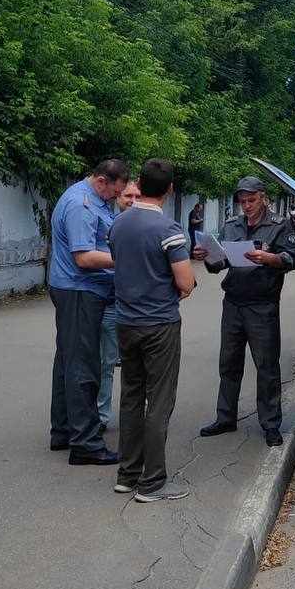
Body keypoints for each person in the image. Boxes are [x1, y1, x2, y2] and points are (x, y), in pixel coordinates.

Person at [107, 158, 195, 502]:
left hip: (125, 322)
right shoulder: (169, 231)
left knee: (131, 396)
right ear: (170, 189)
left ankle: (127, 474)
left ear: (139, 185)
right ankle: (153, 481)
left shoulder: (117, 225)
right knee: (158, 401)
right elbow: (185, 281)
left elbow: (120, 263)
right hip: (159, 324)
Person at [195, 175, 295, 446]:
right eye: (242, 201)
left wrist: (270, 258)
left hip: (262, 305)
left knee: (266, 366)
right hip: (233, 303)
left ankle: (270, 424)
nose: (247, 206)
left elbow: (292, 258)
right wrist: (207, 256)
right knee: (228, 363)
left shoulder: (278, 225)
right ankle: (225, 417)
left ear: (263, 197)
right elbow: (219, 264)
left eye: (251, 200)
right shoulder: (232, 225)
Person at [48, 159, 128, 466]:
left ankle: (64, 431)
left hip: (77, 290)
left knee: (68, 361)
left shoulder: (92, 198)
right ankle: (85, 443)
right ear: (101, 181)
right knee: (84, 366)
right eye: (115, 192)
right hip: (80, 291)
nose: (115, 198)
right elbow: (83, 257)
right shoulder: (81, 205)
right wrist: (124, 258)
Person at [97, 179, 141, 429]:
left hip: (141, 307)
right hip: (112, 303)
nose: (133, 201)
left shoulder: (151, 225)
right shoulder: (108, 225)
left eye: (137, 196)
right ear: (118, 198)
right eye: (128, 197)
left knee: (142, 364)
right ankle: (101, 416)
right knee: (106, 362)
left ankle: (139, 414)